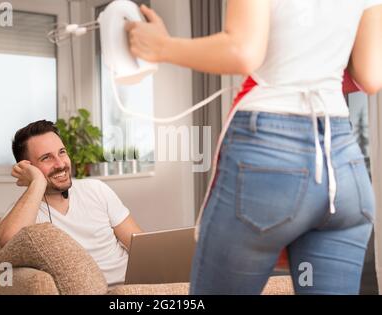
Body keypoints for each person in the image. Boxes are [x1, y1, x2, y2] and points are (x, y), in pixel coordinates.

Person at [126, 0, 382, 294]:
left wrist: (161, 46)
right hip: (342, 165)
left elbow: (242, 51)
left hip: (268, 159)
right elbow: (371, 76)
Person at [0, 120, 142, 286]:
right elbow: (8, 241)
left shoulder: (96, 189)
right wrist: (37, 182)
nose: (60, 164)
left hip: (136, 284)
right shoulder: (24, 212)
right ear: (28, 168)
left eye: (62, 152)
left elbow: (140, 244)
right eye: (46, 158)